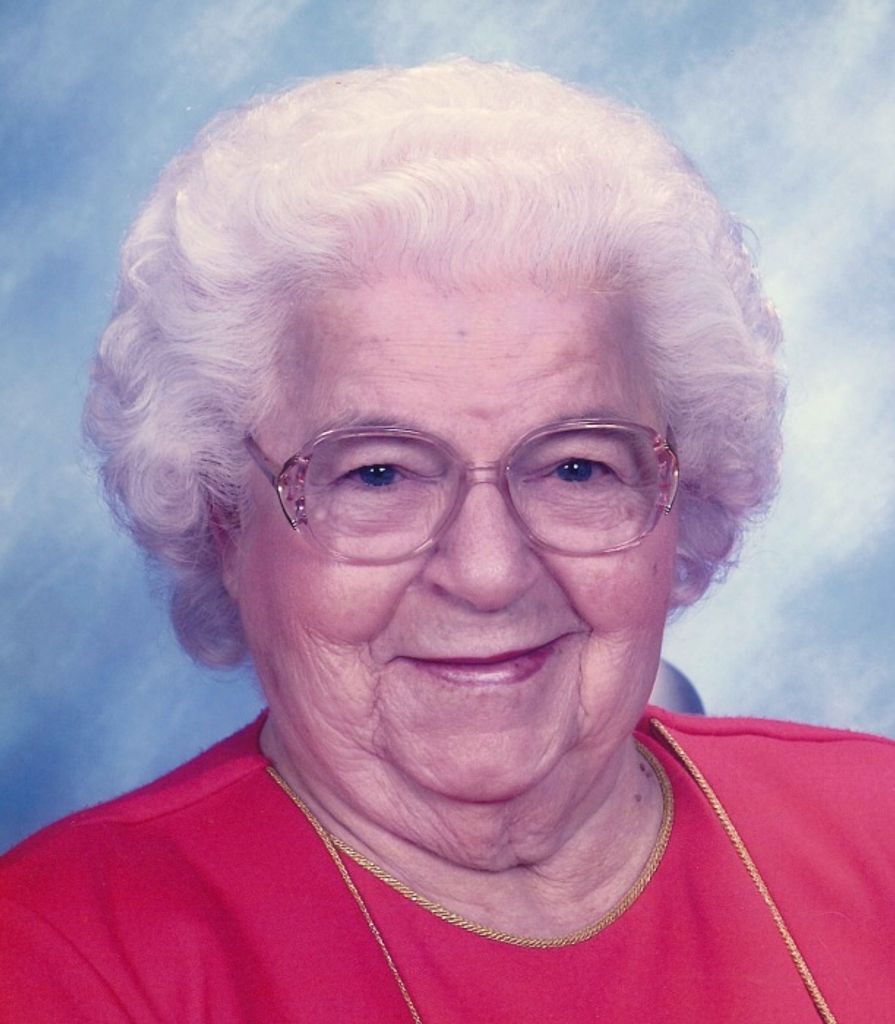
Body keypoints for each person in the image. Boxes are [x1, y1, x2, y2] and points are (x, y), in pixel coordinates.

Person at [1, 59, 892, 1023]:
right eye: (376, 475)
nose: (488, 572)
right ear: (225, 520)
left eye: (575, 467)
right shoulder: (66, 960)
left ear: (684, 493)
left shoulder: (874, 825)